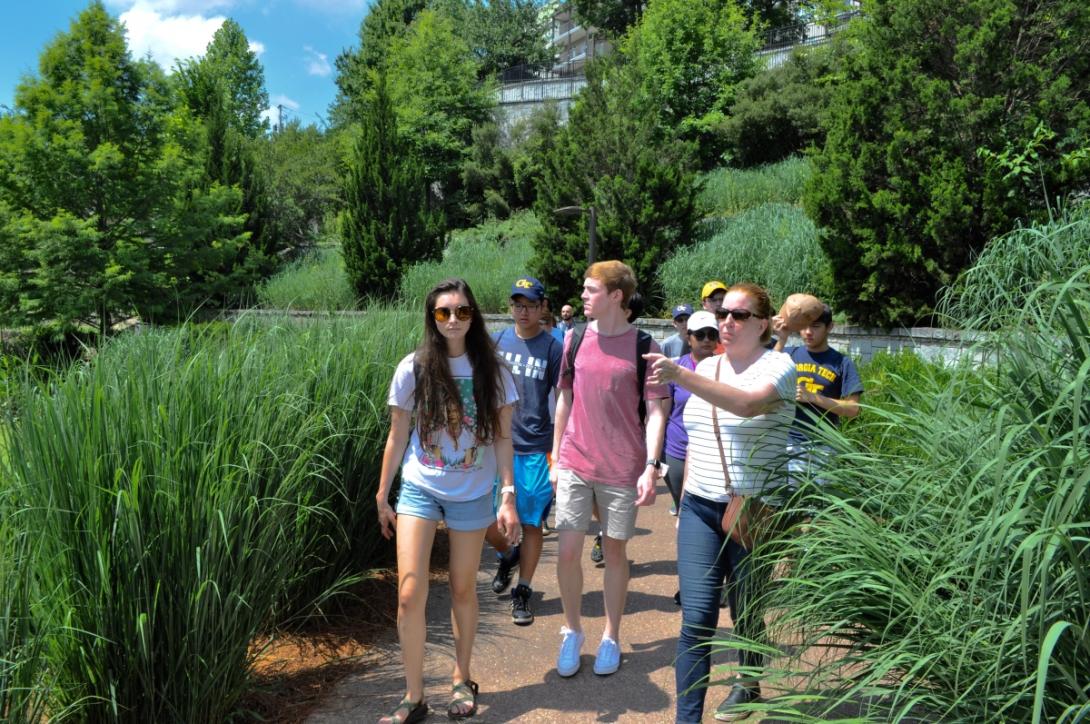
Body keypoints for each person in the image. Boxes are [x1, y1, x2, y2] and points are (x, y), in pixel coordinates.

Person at [645, 282, 796, 724]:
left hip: (754, 508)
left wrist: (678, 374)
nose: (726, 322)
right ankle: (686, 719)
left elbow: (748, 406)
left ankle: (748, 685)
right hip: (700, 507)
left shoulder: (780, 367)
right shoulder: (707, 368)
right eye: (724, 314)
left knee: (747, 612)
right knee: (697, 618)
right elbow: (696, 437)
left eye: (739, 315)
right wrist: (684, 498)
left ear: (763, 324)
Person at [376, 278, 520, 723]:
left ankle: (462, 677)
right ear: (432, 318)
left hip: (472, 493)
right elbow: (398, 434)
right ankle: (414, 695)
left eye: (461, 311)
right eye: (443, 313)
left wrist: (507, 495)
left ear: (473, 316)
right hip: (419, 487)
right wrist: (383, 494)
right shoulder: (413, 367)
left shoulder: (492, 371)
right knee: (409, 593)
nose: (452, 320)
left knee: (461, 589)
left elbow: (502, 437)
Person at [551, 260, 669, 678]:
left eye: (590, 290)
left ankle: (611, 635)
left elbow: (655, 411)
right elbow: (564, 399)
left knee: (615, 551)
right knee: (566, 550)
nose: (582, 296)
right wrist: (555, 455)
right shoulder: (574, 338)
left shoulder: (645, 346)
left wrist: (652, 465)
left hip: (622, 465)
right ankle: (571, 630)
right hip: (576, 461)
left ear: (616, 296)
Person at [484, 277, 564, 626]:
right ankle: (507, 554)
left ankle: (524, 590)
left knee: (531, 524)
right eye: (518, 304)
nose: (523, 311)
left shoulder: (553, 347)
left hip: (535, 448)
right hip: (495, 444)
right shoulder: (498, 341)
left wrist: (560, 452)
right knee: (485, 519)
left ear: (542, 307)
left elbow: (563, 399)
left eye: (530, 305)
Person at [773, 303, 863, 486]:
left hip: (823, 446)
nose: (807, 332)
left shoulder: (842, 363)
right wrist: (781, 340)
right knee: (785, 503)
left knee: (816, 503)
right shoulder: (788, 354)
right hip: (787, 441)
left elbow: (853, 409)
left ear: (829, 327)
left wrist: (813, 398)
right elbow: (764, 375)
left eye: (815, 327)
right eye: (804, 327)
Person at [661, 310, 719, 516]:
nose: (706, 340)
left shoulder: (726, 368)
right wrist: (655, 452)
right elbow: (663, 412)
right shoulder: (675, 368)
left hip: (712, 450)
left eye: (712, 335)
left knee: (710, 508)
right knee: (684, 507)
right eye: (700, 334)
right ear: (689, 337)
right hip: (677, 448)